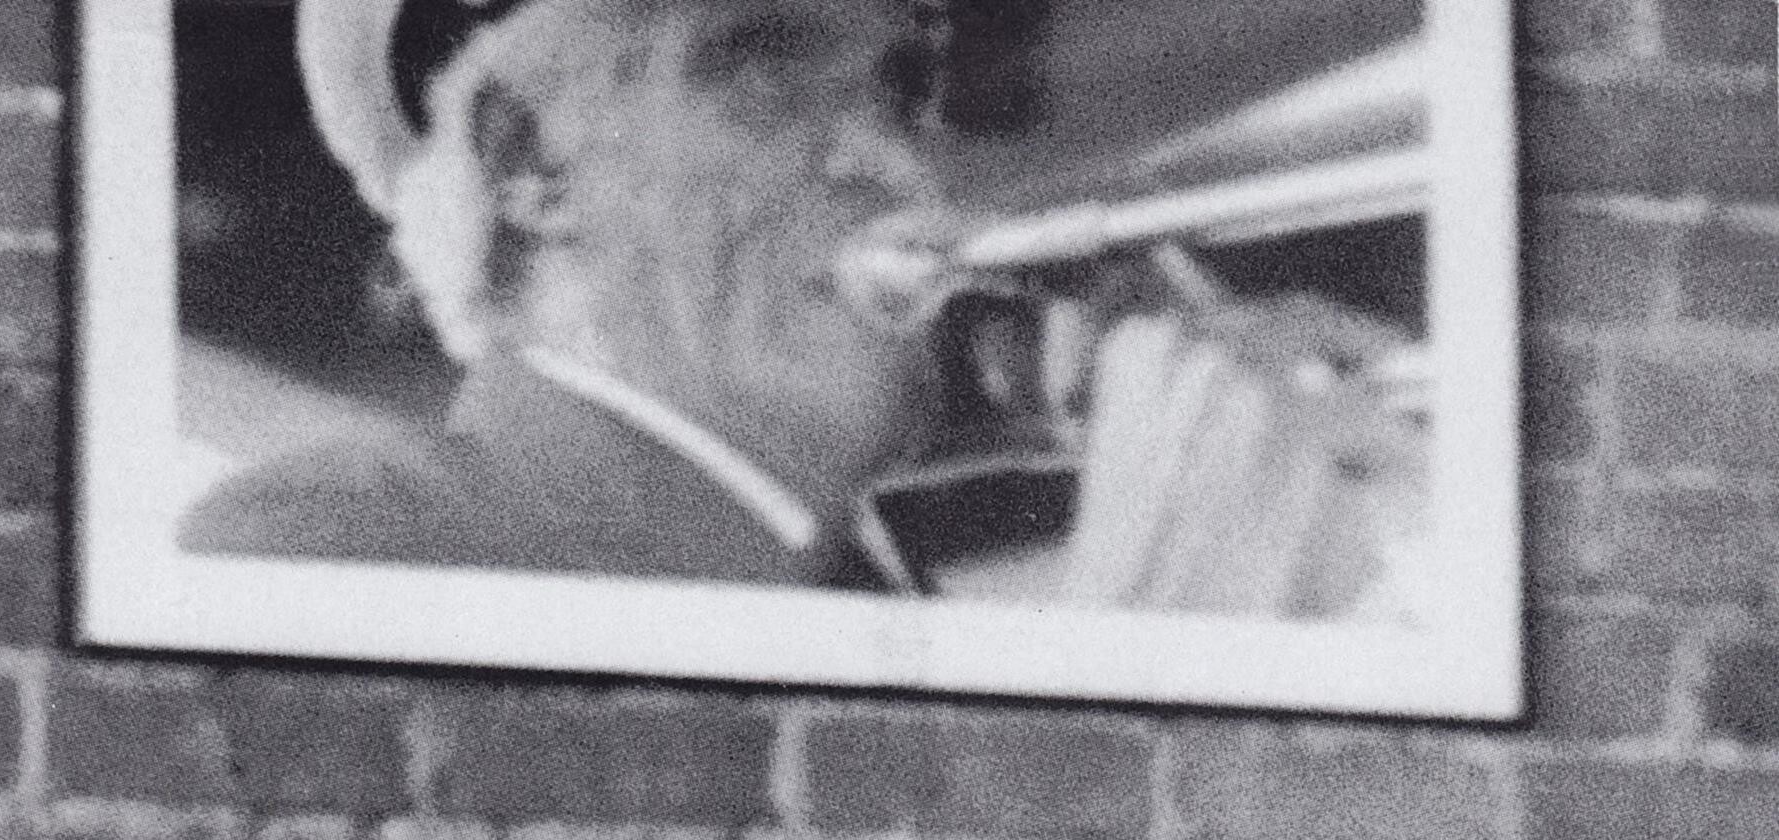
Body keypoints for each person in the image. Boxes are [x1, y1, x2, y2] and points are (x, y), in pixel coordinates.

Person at [180, 0, 1426, 619]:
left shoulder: (839, 572)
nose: (896, 162)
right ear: (531, 168)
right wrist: (1163, 627)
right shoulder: (318, 550)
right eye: (764, 69)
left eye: (900, 93)